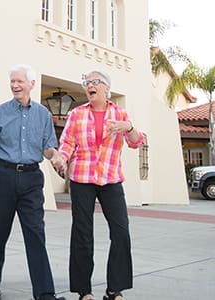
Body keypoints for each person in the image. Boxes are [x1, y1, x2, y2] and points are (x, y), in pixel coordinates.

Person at [0, 64, 67, 300]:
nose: (15, 85)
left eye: (19, 81)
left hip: (31, 178)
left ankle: (45, 293)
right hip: (2, 177)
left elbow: (47, 147)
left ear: (32, 84)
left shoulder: (43, 115)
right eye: (12, 82)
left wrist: (55, 156)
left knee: (36, 234)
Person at [58, 70, 144, 300]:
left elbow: (137, 142)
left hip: (111, 178)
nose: (89, 85)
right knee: (82, 234)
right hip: (82, 178)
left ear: (107, 88)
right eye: (87, 83)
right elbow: (67, 142)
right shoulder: (77, 114)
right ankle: (84, 290)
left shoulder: (120, 113)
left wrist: (129, 127)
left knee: (120, 231)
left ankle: (115, 289)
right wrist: (61, 157)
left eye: (95, 82)